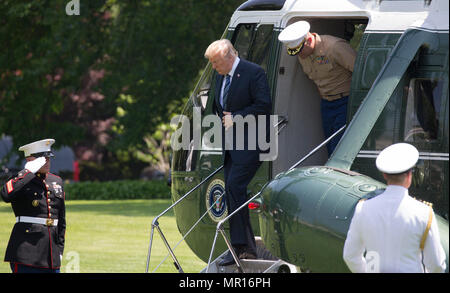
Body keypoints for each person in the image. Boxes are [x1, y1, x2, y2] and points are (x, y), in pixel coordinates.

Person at [204, 39, 272, 266]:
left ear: (229, 56)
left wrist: (237, 118)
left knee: (234, 186)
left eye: (215, 62)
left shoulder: (253, 73)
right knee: (232, 190)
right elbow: (219, 107)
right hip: (231, 146)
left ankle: (243, 247)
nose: (213, 67)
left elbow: (264, 106)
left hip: (251, 144)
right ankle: (240, 247)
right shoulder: (220, 75)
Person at [343, 143, 447, 273]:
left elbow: (350, 256)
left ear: (384, 175)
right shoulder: (424, 213)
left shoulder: (362, 209)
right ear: (409, 175)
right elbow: (436, 264)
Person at [278, 21, 356, 156]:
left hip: (346, 101)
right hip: (326, 104)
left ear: (308, 40)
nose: (299, 56)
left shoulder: (334, 47)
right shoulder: (303, 53)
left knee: (339, 148)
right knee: (329, 146)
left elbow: (362, 71)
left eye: (300, 51)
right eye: (295, 53)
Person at [1, 139, 66, 273]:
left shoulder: (56, 181)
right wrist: (27, 171)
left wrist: (59, 249)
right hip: (27, 250)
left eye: (49, 158)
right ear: (31, 159)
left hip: (50, 253)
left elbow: (61, 220)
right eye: (43, 159)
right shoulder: (21, 180)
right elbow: (6, 195)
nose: (47, 162)